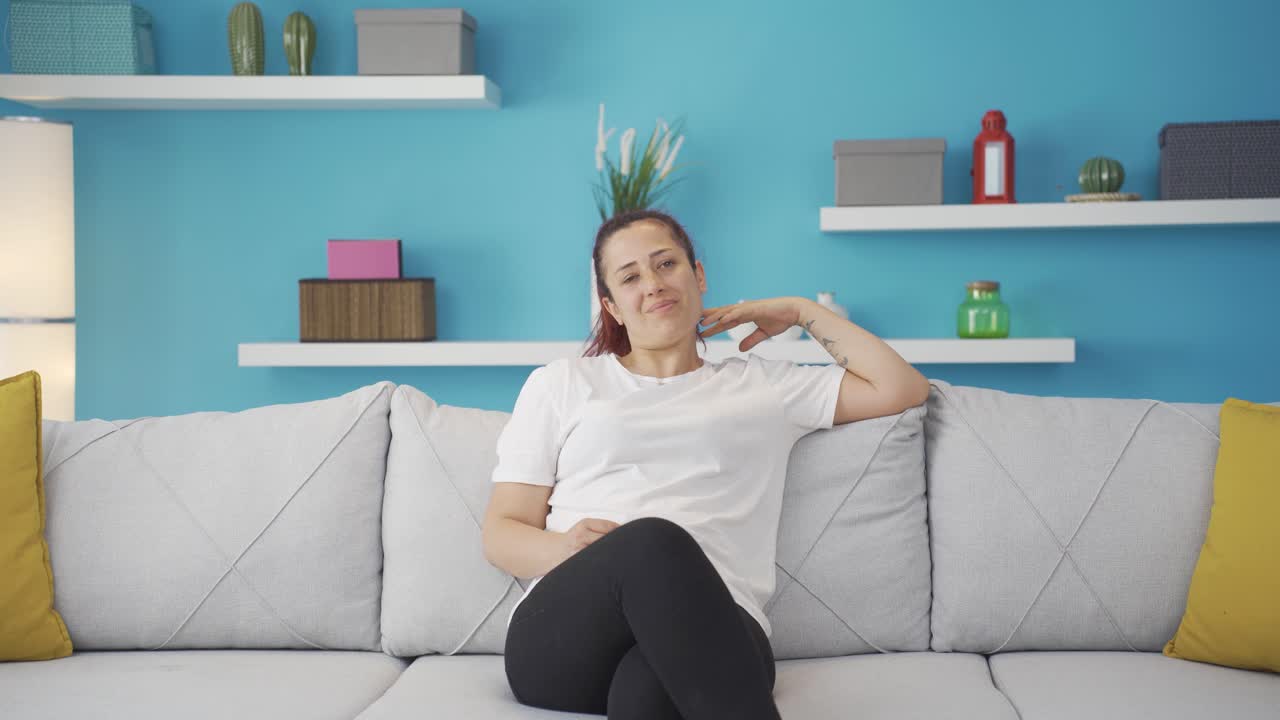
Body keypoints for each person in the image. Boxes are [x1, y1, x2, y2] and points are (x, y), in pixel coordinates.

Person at [481, 209, 929, 719]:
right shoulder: (561, 384)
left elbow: (902, 388)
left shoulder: (766, 386)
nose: (652, 284)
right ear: (612, 307)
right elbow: (501, 532)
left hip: (722, 628)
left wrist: (803, 311)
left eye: (666, 264)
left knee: (647, 693)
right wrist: (565, 548)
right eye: (630, 277)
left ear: (698, 276)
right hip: (567, 637)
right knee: (651, 540)